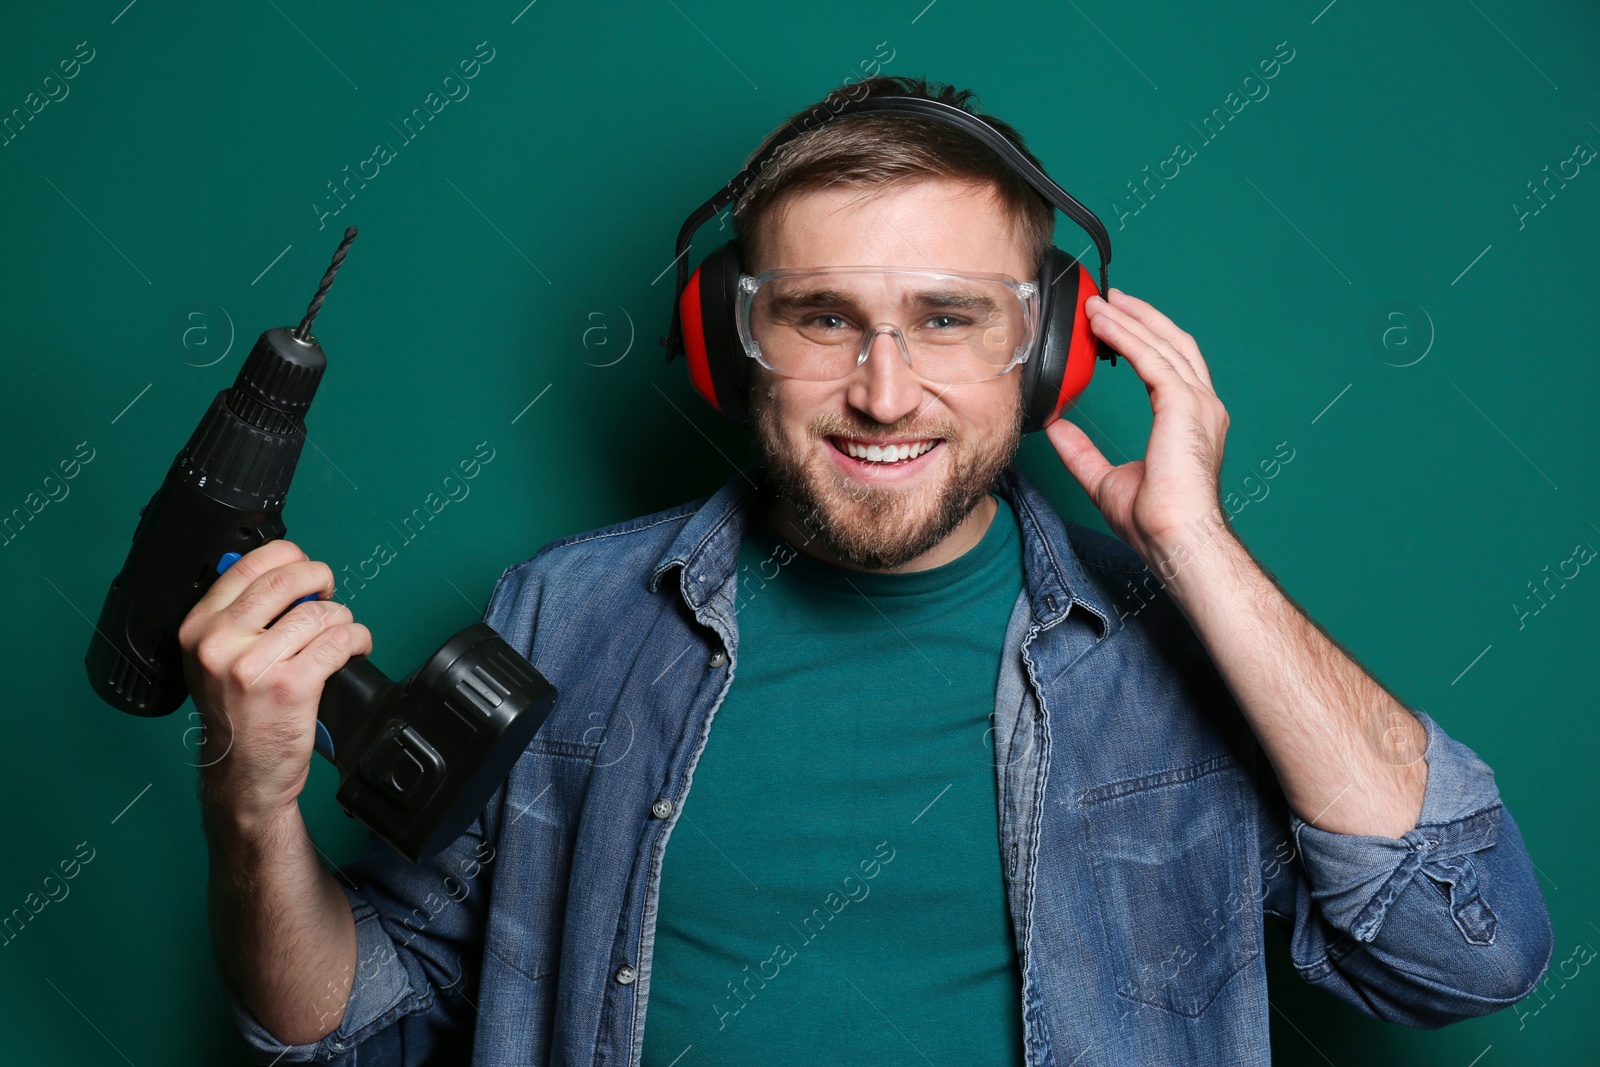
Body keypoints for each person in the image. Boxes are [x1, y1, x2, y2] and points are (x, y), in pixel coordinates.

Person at [180, 76, 1553, 1066]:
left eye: (949, 319)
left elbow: (1467, 952)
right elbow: (348, 1024)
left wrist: (1194, 550)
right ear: (727, 350)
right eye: (822, 318)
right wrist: (253, 814)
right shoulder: (565, 614)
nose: (883, 393)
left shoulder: (1177, 645)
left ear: (1055, 348)